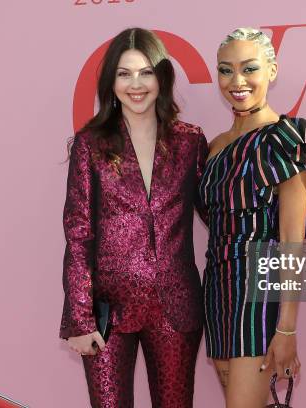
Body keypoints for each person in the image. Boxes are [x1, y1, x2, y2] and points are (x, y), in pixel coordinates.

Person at [59, 27, 208, 408]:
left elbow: (215, 212)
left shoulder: (190, 141)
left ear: (162, 78)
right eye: (124, 74)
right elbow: (78, 235)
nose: (136, 84)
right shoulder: (90, 145)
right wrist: (79, 318)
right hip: (108, 312)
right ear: (111, 82)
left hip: (175, 308)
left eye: (145, 72)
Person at [199, 27, 306, 407]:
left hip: (257, 291)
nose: (236, 81)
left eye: (249, 68)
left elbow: (293, 242)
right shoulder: (214, 147)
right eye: (226, 70)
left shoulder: (284, 140)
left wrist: (286, 329)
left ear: (272, 71)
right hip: (218, 291)